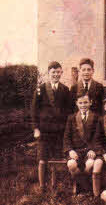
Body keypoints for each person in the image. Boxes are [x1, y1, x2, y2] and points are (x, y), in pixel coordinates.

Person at [31, 61, 72, 192]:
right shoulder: (41, 89)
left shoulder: (65, 89)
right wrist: (36, 128)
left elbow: (69, 110)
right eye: (53, 72)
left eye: (58, 72)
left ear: (61, 73)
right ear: (49, 73)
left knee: (56, 158)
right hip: (44, 131)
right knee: (42, 158)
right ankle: (42, 186)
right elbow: (34, 110)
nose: (56, 74)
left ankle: (54, 184)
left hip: (59, 131)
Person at [63, 92, 103, 197]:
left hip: (89, 150)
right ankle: (83, 185)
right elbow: (67, 137)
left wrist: (93, 149)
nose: (83, 105)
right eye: (80, 103)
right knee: (71, 164)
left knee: (90, 164)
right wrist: (70, 150)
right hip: (75, 150)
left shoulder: (96, 117)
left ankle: (82, 186)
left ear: (90, 102)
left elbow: (98, 137)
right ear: (76, 103)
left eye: (85, 102)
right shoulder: (71, 118)